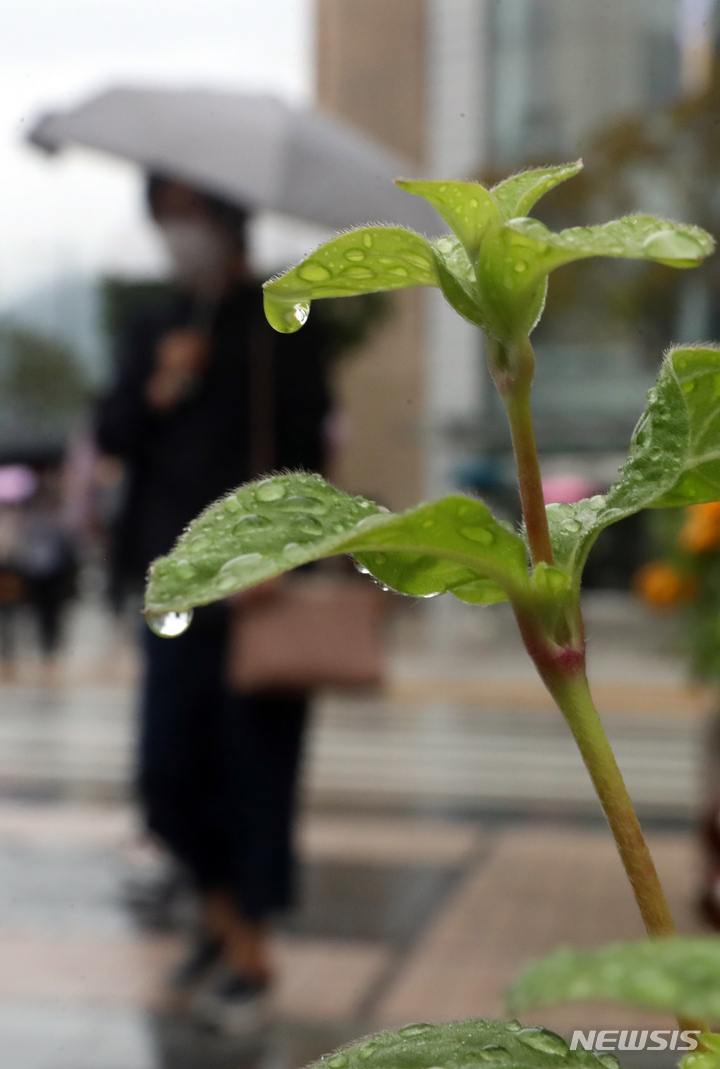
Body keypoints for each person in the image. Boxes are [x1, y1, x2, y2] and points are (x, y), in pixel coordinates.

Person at [95, 176, 331, 1034]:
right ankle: (221, 919)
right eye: (164, 214)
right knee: (166, 774)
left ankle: (248, 950)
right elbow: (113, 432)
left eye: (189, 212)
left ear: (228, 220)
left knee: (254, 772)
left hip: (256, 595)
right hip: (170, 587)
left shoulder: (282, 324)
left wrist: (287, 548)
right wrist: (160, 385)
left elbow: (312, 450)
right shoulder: (154, 325)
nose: (175, 232)